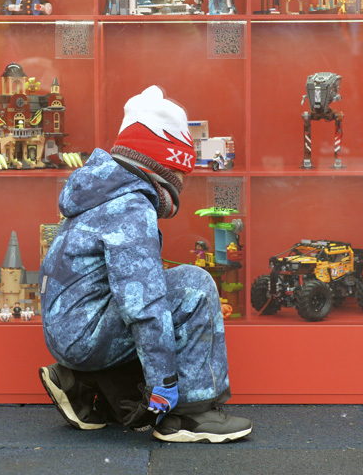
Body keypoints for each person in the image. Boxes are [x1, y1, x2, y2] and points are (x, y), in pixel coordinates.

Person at [37, 85, 252, 443]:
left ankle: (79, 383)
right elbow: (144, 305)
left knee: (158, 289)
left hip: (69, 329)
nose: (183, 183)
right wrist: (162, 385)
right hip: (84, 336)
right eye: (182, 173)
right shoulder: (132, 208)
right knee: (195, 286)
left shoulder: (100, 193)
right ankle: (191, 415)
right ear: (163, 165)